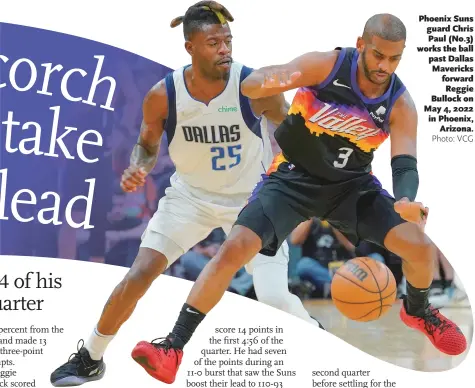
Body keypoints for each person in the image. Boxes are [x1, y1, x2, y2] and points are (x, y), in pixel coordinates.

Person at [136, 13, 468, 384]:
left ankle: (418, 311)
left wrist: (407, 199)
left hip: (351, 187)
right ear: (361, 44)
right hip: (292, 179)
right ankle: (173, 347)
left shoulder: (401, 103)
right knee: (233, 250)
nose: (383, 66)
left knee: (419, 246)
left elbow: (405, 163)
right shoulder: (327, 65)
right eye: (378, 56)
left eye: (394, 59)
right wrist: (263, 81)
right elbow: (281, 73)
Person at [49, 2, 323, 386]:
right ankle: (90, 358)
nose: (225, 48)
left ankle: (317, 336)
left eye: (228, 40)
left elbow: (291, 139)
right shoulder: (163, 96)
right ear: (190, 48)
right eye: (213, 42)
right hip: (190, 198)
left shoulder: (255, 87)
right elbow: (146, 145)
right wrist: (139, 168)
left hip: (253, 202)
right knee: (140, 273)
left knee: (274, 297)